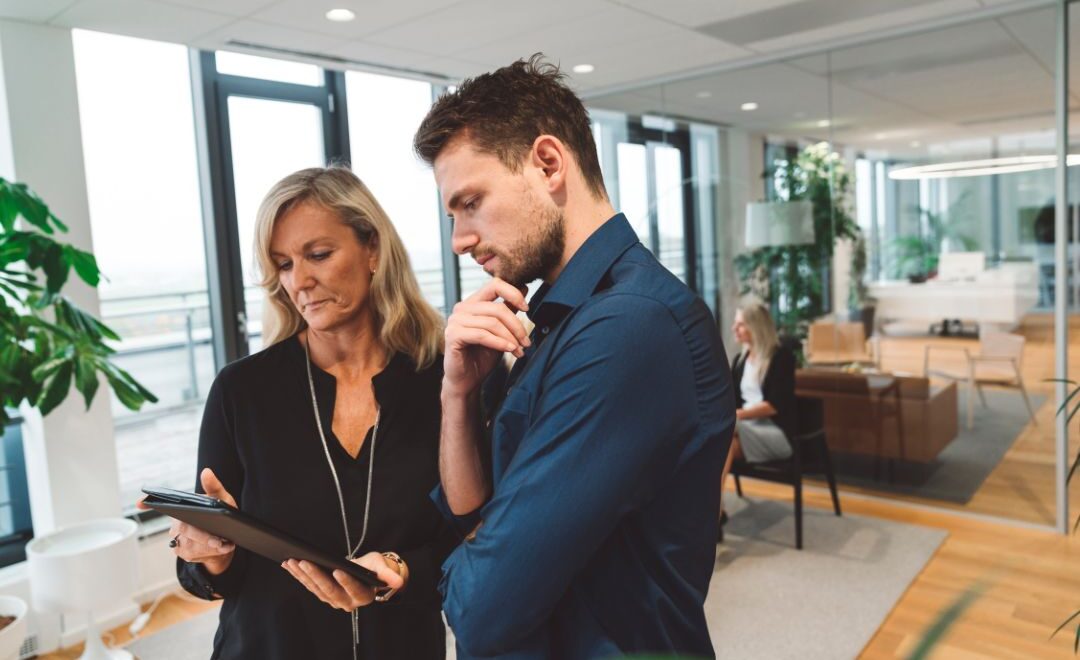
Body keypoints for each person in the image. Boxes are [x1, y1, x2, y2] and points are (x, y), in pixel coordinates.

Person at [412, 55, 736, 659]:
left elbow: (482, 607)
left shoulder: (630, 325)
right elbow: (472, 517)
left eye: (471, 202)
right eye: (453, 215)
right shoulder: (555, 320)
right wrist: (456, 396)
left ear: (548, 163)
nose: (459, 240)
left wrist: (462, 570)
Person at [162, 166, 454, 660]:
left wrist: (403, 570)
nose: (300, 281)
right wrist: (209, 555)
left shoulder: (444, 380)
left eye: (318, 255)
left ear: (373, 250)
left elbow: (470, 536)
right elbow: (207, 576)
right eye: (283, 264)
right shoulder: (241, 390)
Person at [719, 298, 797, 537]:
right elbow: (729, 398)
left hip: (774, 433)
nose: (734, 329)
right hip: (742, 430)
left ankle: (710, 512)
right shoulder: (741, 360)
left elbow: (775, 405)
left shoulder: (781, 357)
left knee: (721, 433)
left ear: (756, 326)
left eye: (740, 324)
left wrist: (735, 416)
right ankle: (715, 510)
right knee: (722, 445)